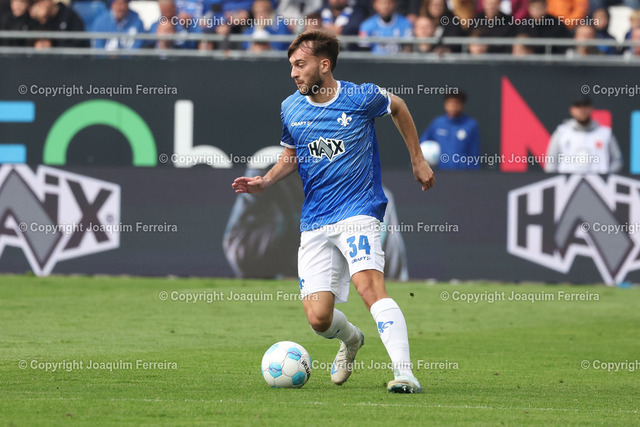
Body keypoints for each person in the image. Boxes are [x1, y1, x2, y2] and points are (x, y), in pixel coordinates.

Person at [232, 29, 434, 393]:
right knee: (318, 319)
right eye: (291, 66)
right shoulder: (291, 107)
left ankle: (405, 374)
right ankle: (352, 339)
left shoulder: (360, 97)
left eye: (300, 65)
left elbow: (399, 107)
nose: (293, 73)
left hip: (359, 210)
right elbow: (292, 154)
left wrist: (417, 159)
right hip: (315, 220)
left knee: (369, 288)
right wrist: (266, 181)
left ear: (324, 65)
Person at [545, 95, 622, 174]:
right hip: (568, 181)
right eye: (578, 106)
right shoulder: (562, 133)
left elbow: (617, 160)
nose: (582, 110)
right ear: (572, 110)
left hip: (598, 181)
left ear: (591, 109)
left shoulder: (605, 134)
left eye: (585, 106)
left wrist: (606, 177)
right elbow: (551, 161)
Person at [421, 91, 481, 170]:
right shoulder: (437, 123)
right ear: (445, 104)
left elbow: (474, 153)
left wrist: (473, 171)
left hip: (464, 173)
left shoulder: (471, 125)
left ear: (462, 104)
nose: (453, 106)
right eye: (450, 103)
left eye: (456, 103)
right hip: (440, 172)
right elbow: (423, 144)